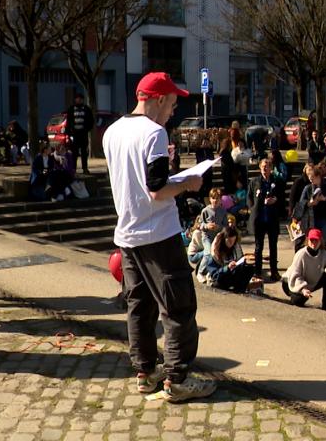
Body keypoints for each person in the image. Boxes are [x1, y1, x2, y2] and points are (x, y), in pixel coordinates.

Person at [102, 72, 215, 402]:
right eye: (172, 103)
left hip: (127, 233)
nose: (173, 111)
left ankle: (145, 372)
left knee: (139, 305)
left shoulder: (112, 132)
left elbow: (136, 182)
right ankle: (177, 378)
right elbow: (157, 189)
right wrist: (188, 184)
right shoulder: (154, 133)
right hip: (158, 234)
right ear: (158, 99)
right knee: (178, 305)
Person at [283, 228, 326, 313]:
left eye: (316, 240)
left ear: (320, 241)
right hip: (291, 282)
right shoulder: (301, 254)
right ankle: (294, 295)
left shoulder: (323, 253)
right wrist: (303, 289)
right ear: (308, 240)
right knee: (298, 301)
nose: (314, 243)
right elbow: (295, 275)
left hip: (310, 283)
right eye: (312, 240)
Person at [248, 158, 283, 282]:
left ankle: (274, 271)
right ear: (259, 167)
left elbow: (282, 197)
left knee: (273, 247)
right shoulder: (254, 182)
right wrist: (254, 207)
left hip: (272, 219)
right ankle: (258, 272)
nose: (265, 168)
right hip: (260, 219)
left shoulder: (276, 181)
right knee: (259, 247)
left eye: (267, 166)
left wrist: (276, 200)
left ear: (271, 168)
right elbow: (249, 198)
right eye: (263, 166)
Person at [199, 227, 258, 292]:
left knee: (250, 269)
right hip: (219, 278)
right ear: (224, 239)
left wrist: (245, 262)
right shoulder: (215, 252)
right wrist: (227, 268)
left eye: (233, 241)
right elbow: (214, 274)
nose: (231, 243)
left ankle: (240, 289)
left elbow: (240, 261)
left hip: (232, 275)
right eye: (229, 241)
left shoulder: (235, 248)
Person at [67, 93, 94, 174]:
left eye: (80, 98)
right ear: (75, 100)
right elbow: (68, 121)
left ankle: (85, 168)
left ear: (82, 100)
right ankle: (73, 169)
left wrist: (86, 129)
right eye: (77, 98)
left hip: (83, 134)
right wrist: (70, 132)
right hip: (75, 135)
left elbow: (91, 121)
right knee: (74, 153)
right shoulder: (71, 109)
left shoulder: (86, 109)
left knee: (84, 153)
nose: (78, 100)